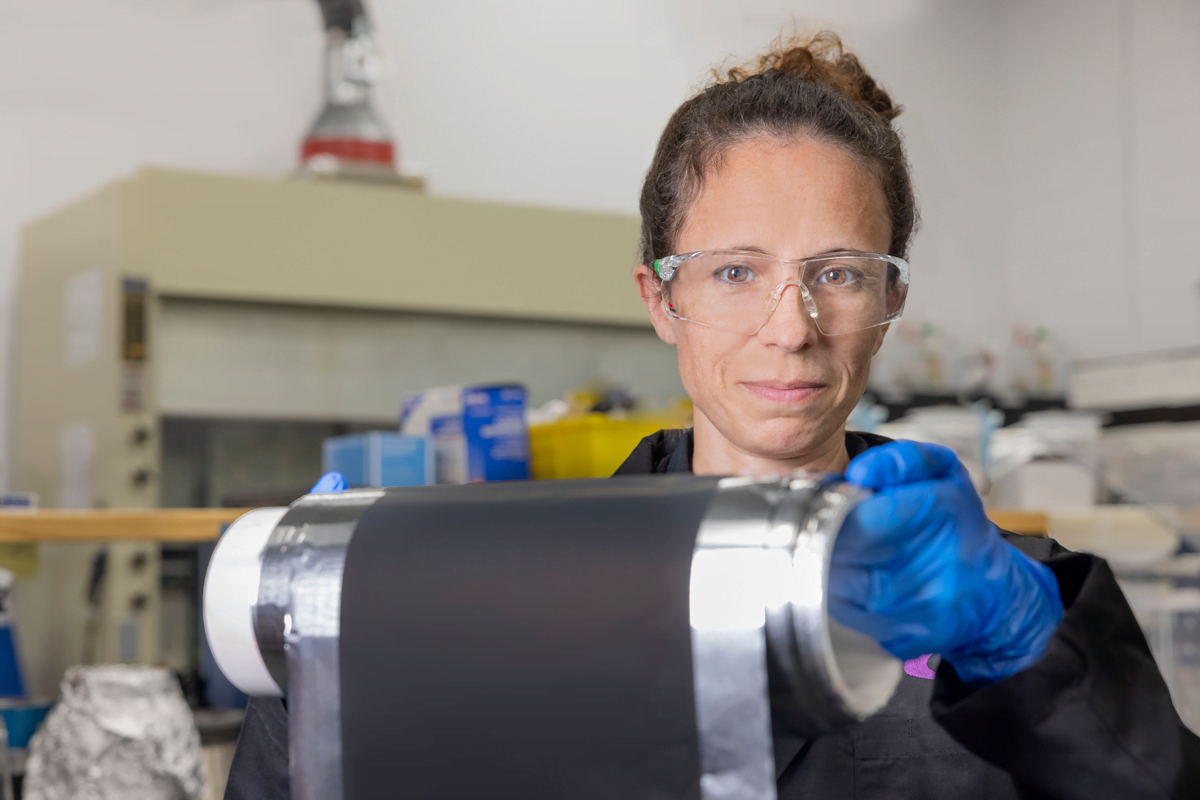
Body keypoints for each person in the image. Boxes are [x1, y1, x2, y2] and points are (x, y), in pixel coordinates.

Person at [225, 32, 1199, 800]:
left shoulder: (1002, 597)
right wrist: (334, 645)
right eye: (735, 271)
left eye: (840, 273)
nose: (792, 327)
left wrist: (1028, 652)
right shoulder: (517, 595)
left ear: (892, 300)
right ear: (660, 299)